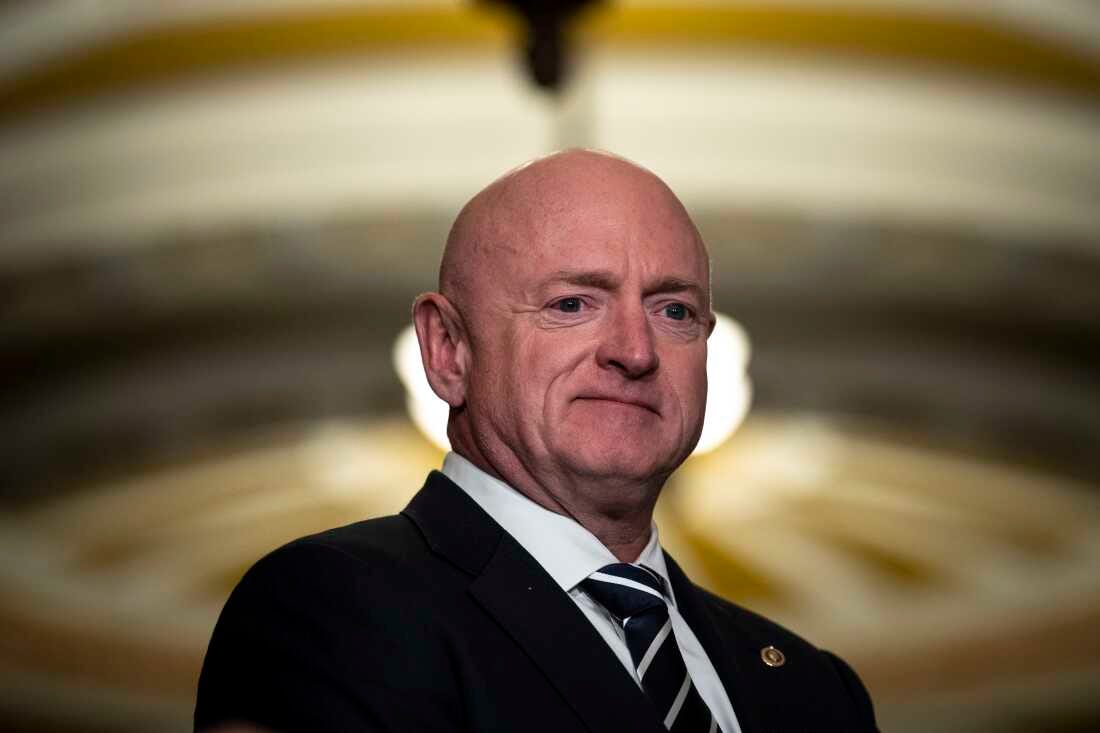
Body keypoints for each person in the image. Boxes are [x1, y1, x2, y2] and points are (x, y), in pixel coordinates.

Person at [194, 150, 878, 732]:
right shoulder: (335, 609)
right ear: (449, 349)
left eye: (674, 310)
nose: (634, 351)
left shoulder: (816, 692)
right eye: (573, 304)